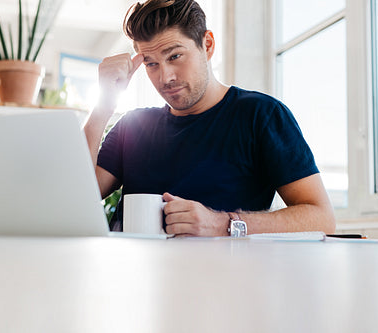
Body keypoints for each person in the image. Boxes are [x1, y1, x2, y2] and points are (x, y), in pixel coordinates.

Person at [84, 0, 336, 237]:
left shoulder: (261, 115)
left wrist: (223, 223)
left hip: (218, 279)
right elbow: (74, 196)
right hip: (127, 276)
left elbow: (322, 218)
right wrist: (103, 104)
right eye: (151, 64)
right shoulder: (132, 126)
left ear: (207, 45)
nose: (165, 77)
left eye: (174, 56)